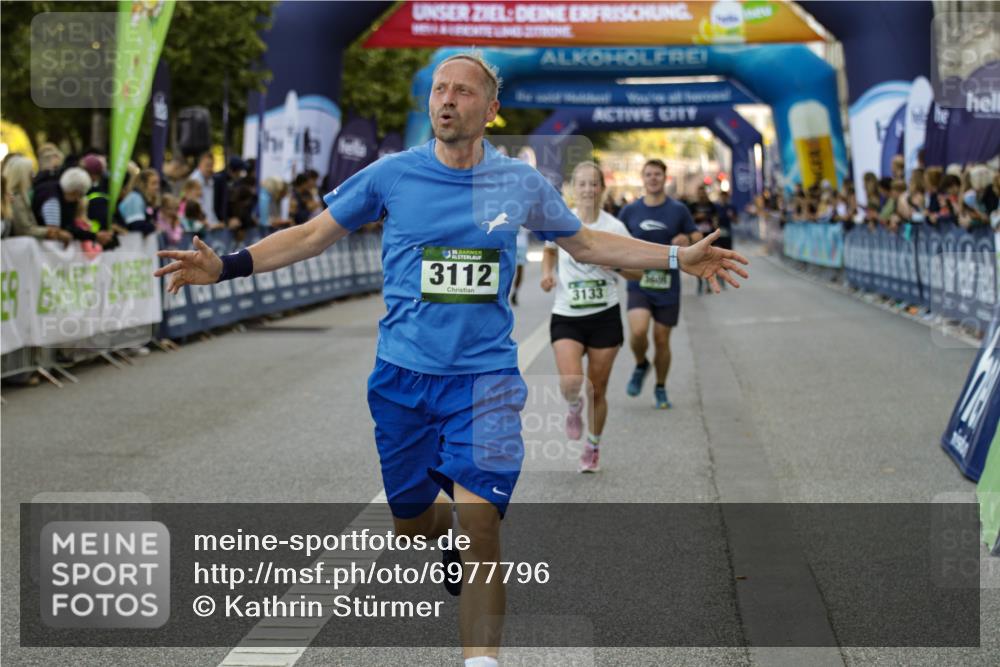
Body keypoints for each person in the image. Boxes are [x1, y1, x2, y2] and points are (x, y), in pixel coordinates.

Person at [154, 51, 749, 667]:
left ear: (489, 111)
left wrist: (677, 259)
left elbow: (589, 241)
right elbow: (310, 235)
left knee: (482, 528)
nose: (446, 99)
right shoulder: (392, 176)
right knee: (413, 525)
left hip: (485, 380)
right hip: (402, 379)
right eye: (440, 89)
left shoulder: (519, 184)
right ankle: (441, 530)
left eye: (463, 92)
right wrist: (226, 266)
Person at [540, 162, 643, 472]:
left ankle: (593, 446)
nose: (587, 189)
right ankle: (574, 407)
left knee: (598, 387)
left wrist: (614, 266)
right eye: (581, 184)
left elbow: (637, 273)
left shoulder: (614, 228)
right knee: (571, 382)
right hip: (567, 314)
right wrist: (547, 274)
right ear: (574, 188)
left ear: (602, 188)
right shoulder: (562, 219)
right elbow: (549, 250)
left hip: (604, 315)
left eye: (593, 184)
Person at [618, 159, 703, 409]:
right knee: (637, 331)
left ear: (664, 178)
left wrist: (687, 237)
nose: (653, 178)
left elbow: (697, 236)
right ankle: (641, 363)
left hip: (667, 283)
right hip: (639, 281)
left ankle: (660, 387)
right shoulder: (630, 211)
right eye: (648, 174)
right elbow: (615, 240)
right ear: (642, 179)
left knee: (662, 339)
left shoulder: (678, 210)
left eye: (657, 174)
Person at [1, 155, 73, 243]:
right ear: (22, 175)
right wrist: (52, 232)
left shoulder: (20, 197)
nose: (33, 176)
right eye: (30, 173)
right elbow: (24, 229)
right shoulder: (16, 199)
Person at [190, 152, 219, 226]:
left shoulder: (211, 181)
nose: (209, 169)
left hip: (209, 225)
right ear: (200, 165)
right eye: (207, 165)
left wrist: (215, 223)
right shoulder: (194, 180)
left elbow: (210, 208)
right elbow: (195, 207)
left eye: (211, 166)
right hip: (199, 225)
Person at [510, 226, 529, 306]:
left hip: (511, 244)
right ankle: (515, 292)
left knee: (506, 270)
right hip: (521, 245)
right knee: (519, 271)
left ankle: (511, 292)